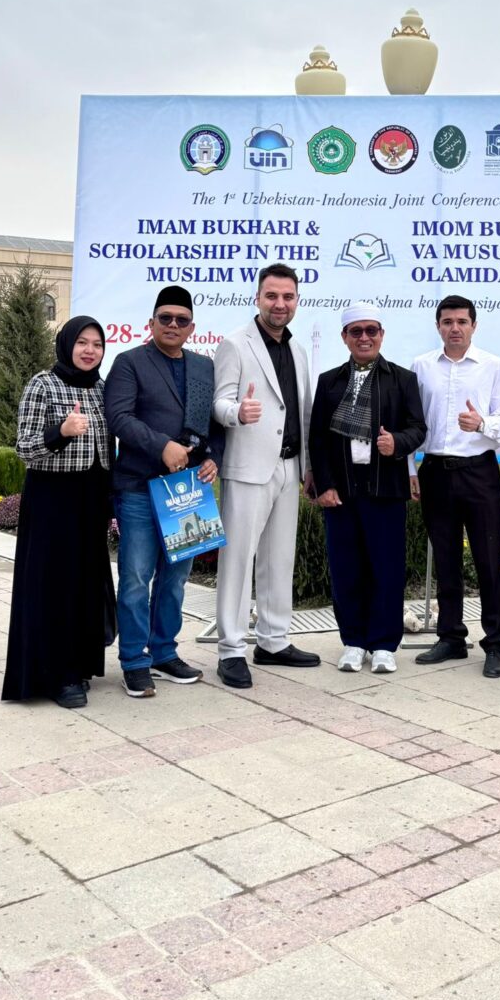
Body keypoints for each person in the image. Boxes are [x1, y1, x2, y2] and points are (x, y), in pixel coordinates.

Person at [104, 289, 222, 698]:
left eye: (181, 320)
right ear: (151, 323)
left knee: (176, 579)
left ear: (192, 327)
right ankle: (134, 661)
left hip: (188, 490)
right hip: (140, 486)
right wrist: (162, 446)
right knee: (136, 578)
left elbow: (214, 424)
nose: (173, 325)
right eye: (165, 318)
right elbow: (118, 416)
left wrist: (214, 457)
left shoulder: (204, 366)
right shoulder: (129, 362)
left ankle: (164, 652)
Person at [212, 264, 320, 690]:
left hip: (289, 466)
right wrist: (237, 412)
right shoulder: (234, 344)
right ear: (257, 298)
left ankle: (273, 641)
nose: (280, 304)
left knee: (279, 558)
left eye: (288, 297)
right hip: (247, 468)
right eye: (272, 296)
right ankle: (231, 649)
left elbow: (304, 413)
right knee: (238, 560)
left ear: (297, 301)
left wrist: (308, 467)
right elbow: (220, 402)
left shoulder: (298, 350)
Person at [2, 317, 115, 709]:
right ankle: (54, 674)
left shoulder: (101, 388)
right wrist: (61, 432)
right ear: (66, 344)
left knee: (85, 582)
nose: (89, 351)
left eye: (97, 344)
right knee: (54, 583)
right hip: (53, 499)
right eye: (82, 342)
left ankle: (78, 665)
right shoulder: (43, 384)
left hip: (91, 498)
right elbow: (24, 448)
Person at [308, 302, 426, 674]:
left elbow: (418, 428)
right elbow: (318, 440)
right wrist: (324, 485)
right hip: (342, 491)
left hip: (385, 488)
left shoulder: (401, 379)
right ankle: (354, 642)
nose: (364, 337)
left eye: (371, 330)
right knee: (346, 569)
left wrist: (398, 443)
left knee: (386, 568)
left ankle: (384, 644)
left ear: (381, 335)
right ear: (344, 337)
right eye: (356, 331)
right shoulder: (330, 381)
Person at [409, 296, 500, 678]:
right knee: (446, 558)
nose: (455, 328)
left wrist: (481, 424)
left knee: (489, 560)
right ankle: (450, 636)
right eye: (448, 322)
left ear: (474, 326)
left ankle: (495, 644)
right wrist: (410, 468)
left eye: (462, 322)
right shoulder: (421, 366)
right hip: (436, 470)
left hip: (479, 472)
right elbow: (412, 422)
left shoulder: (493, 366)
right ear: (438, 326)